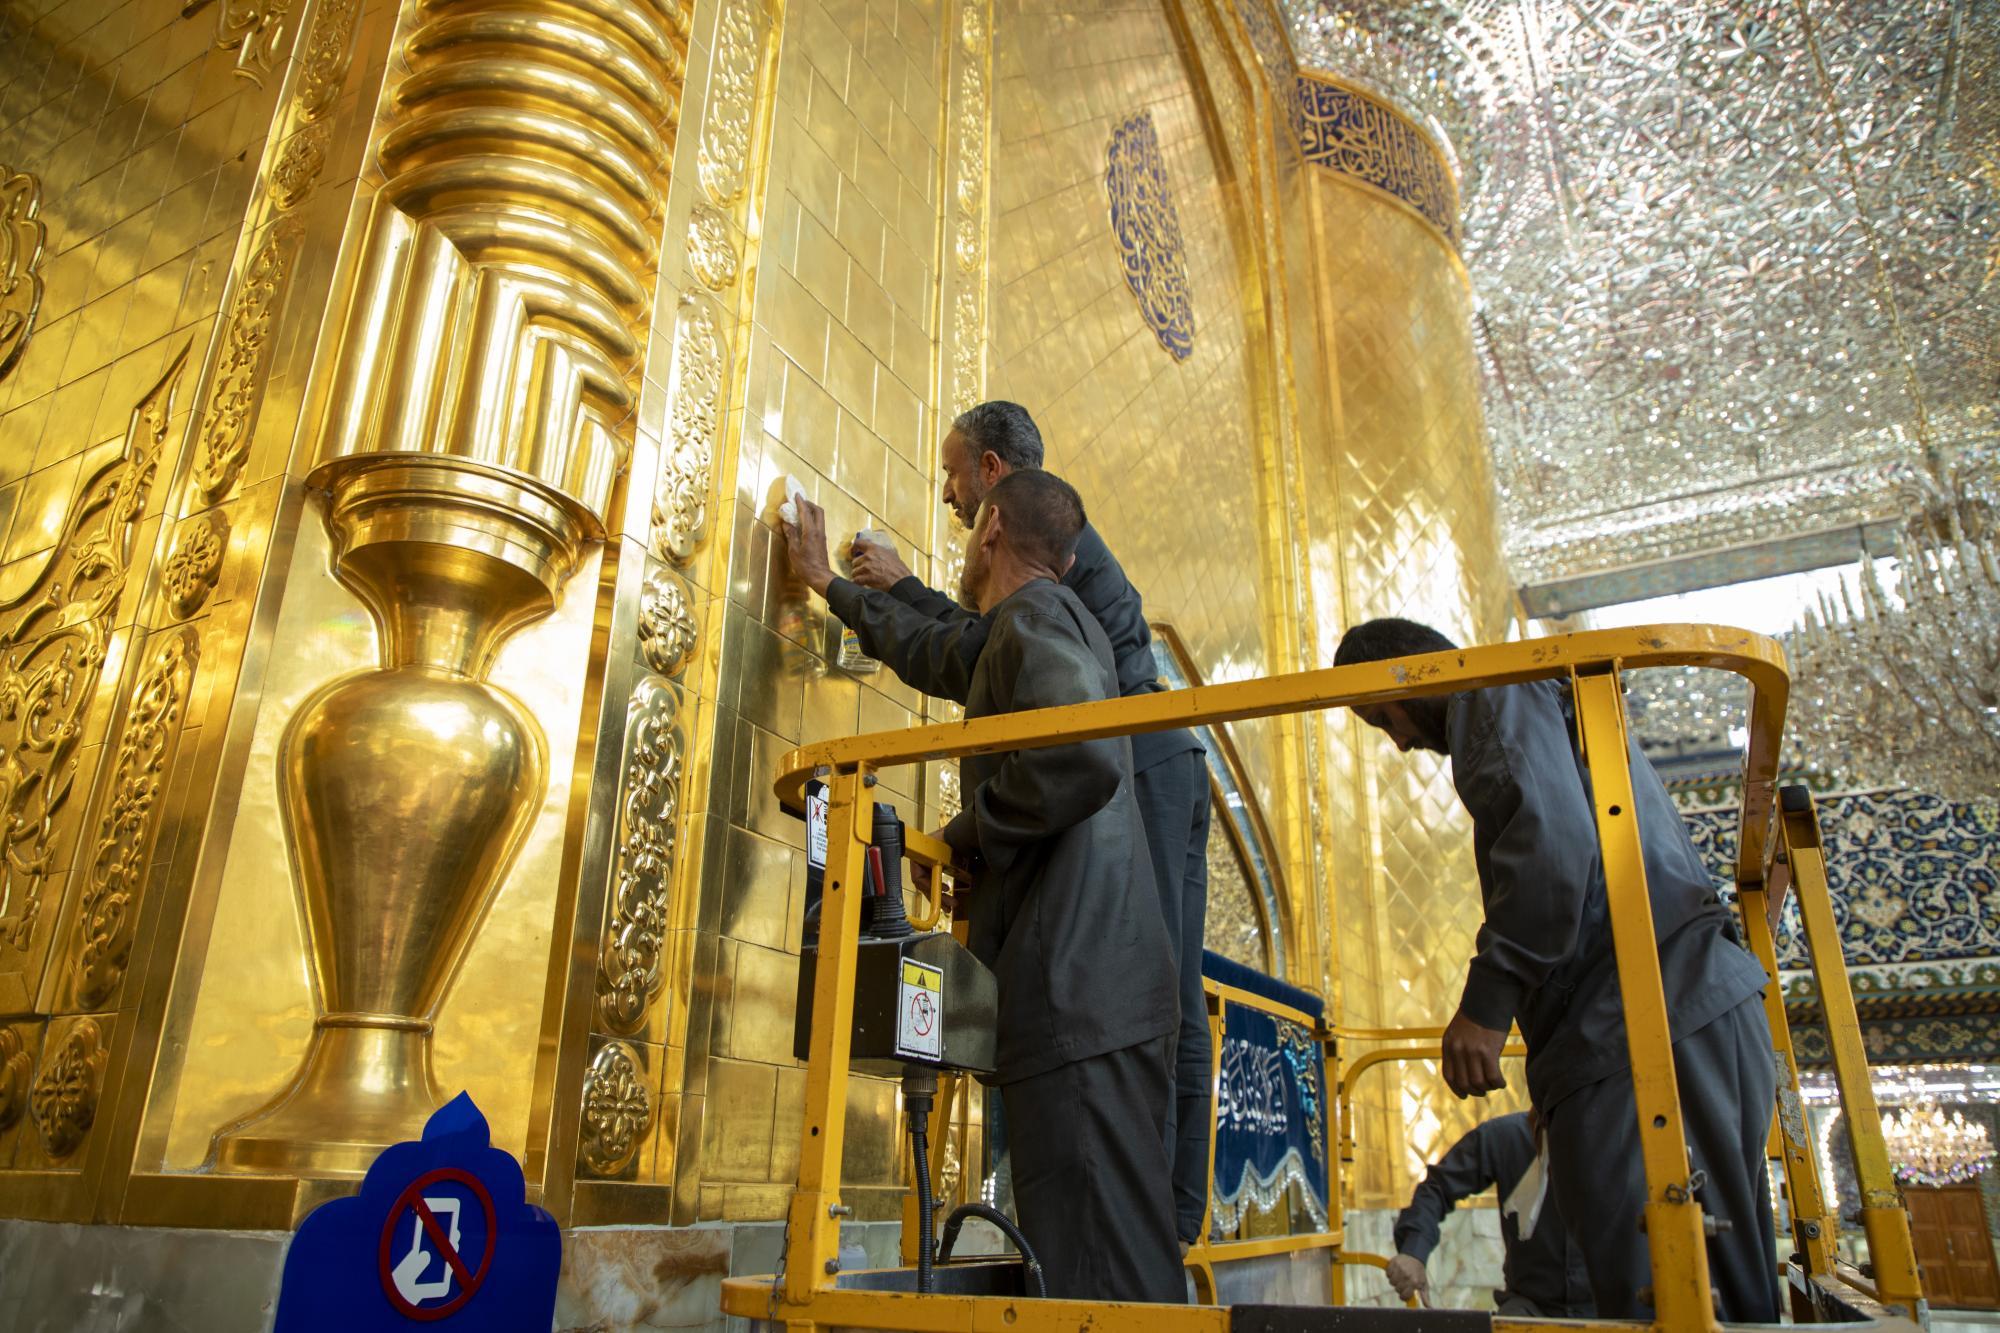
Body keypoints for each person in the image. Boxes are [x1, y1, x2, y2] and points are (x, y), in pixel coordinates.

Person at [783, 401, 1214, 1248]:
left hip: (1142, 759)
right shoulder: (1042, 581)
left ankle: (1163, 1214)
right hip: (1140, 760)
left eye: (952, 474)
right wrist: (887, 590)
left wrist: (840, 589)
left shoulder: (1039, 569)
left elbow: (974, 652)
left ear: (992, 486)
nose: (948, 495)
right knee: (1156, 990)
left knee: (1154, 990)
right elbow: (979, 644)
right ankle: (1151, 1216)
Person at [1335, 617, 1779, 1323]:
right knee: (1717, 1292)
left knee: (1662, 1298)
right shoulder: (1542, 701)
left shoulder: (1490, 688)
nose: (1400, 741)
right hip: (1681, 1013)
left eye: (1383, 717)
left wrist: (1486, 1005)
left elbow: (1551, 852)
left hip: (1647, 1018)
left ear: (1407, 672)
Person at [851, 469, 1187, 1300]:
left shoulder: (1033, 615)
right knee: (1114, 1257)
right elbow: (950, 650)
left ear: (992, 525)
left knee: (1096, 1282)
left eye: (968, 516)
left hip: (1079, 989)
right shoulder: (1061, 622)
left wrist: (967, 833)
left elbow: (1080, 757)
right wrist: (841, 589)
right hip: (1099, 988)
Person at [1387, 1112, 1592, 1317]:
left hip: (1605, 1307)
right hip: (1529, 1308)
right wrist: (1414, 1251)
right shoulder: (1508, 1135)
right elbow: (1437, 1187)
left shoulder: (1612, 1139)